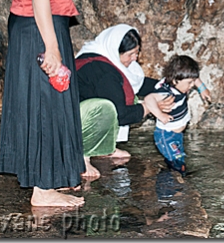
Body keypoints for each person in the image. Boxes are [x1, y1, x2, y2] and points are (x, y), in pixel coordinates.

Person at [0, 0, 113, 207]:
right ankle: (44, 190)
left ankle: (47, 176)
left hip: (23, 21)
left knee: (35, 103)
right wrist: (51, 45)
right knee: (48, 104)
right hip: (40, 23)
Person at [75, 24, 210, 179]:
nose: (135, 58)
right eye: (130, 54)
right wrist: (150, 107)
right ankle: (81, 157)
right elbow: (120, 115)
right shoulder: (103, 71)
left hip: (86, 114)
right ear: (115, 51)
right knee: (106, 108)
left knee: (128, 94)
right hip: (73, 123)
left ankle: (104, 149)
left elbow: (144, 86)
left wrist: (175, 85)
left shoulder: (108, 58)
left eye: (137, 52)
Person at [143, 55, 212, 176]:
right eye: (189, 83)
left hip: (177, 134)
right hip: (166, 136)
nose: (191, 86)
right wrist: (160, 115)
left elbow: (195, 79)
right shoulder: (166, 92)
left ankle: (172, 175)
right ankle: (171, 186)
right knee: (177, 162)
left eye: (192, 82)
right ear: (175, 81)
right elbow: (149, 99)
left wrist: (202, 89)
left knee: (178, 157)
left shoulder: (180, 81)